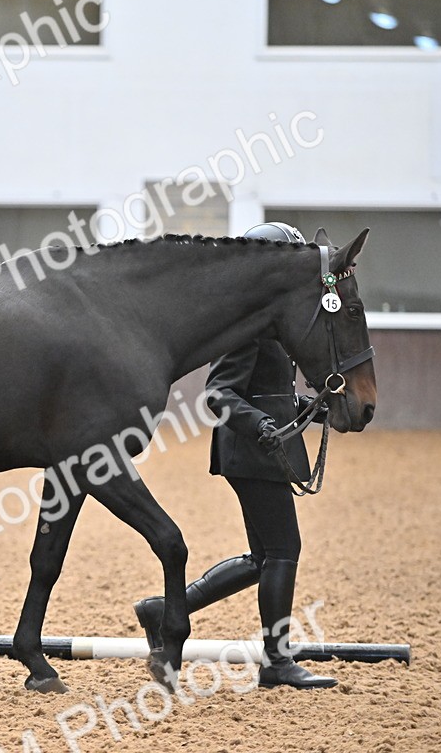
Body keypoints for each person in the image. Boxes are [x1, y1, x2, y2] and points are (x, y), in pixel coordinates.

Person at [132, 221, 337, 689]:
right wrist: (261, 424)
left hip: (261, 447)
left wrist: (302, 409)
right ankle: (277, 662)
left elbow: (265, 391)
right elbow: (219, 393)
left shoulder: (269, 320)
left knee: (262, 557)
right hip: (252, 450)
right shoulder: (246, 325)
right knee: (284, 550)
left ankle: (163, 609)